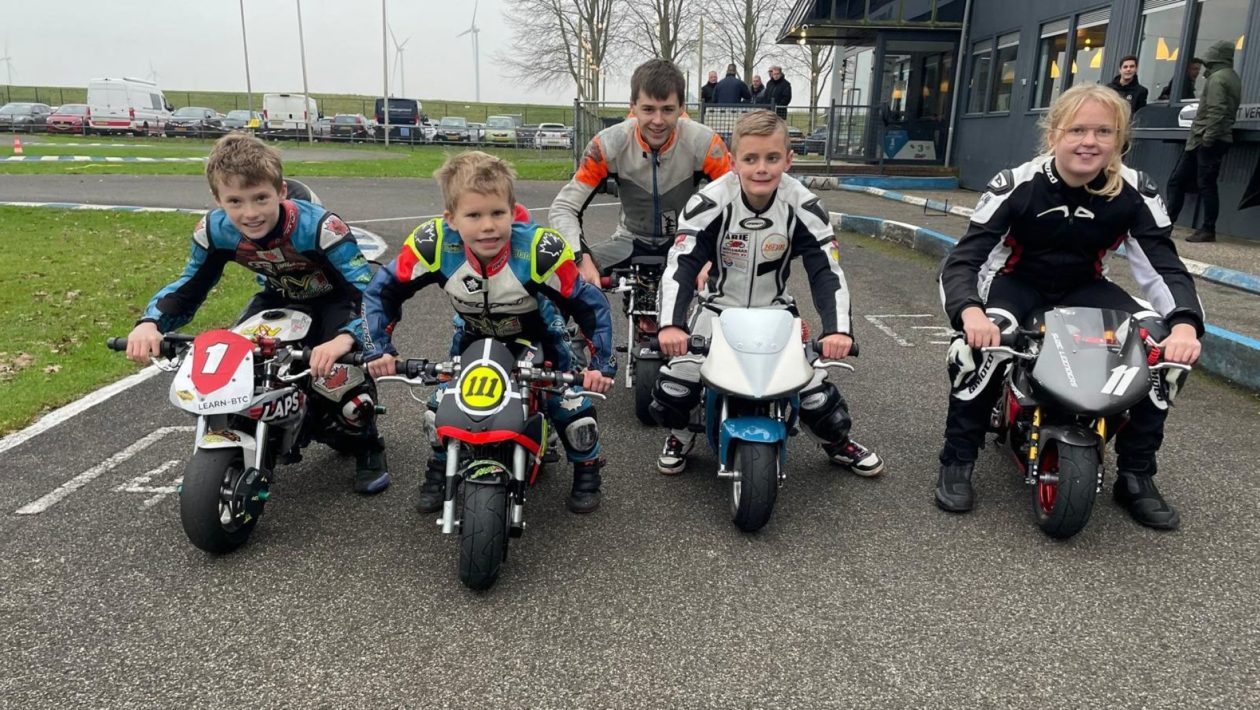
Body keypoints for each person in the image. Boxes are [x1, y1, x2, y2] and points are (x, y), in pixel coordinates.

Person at [936, 83, 1203, 530]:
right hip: (1016, 285)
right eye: (1077, 129)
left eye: (1103, 131)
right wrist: (970, 312)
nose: (1089, 141)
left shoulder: (1135, 190)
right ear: (1054, 133)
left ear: (1119, 139)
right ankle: (958, 459)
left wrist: (1185, 326)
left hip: (1085, 286)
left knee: (1163, 350)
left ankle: (1137, 475)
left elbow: (1162, 269)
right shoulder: (1018, 183)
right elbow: (965, 259)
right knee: (979, 346)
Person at [125, 133, 390, 494]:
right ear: (217, 200)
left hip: (336, 299)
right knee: (238, 359)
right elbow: (190, 287)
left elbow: (369, 291)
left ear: (280, 191)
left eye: (260, 198)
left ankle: (368, 444)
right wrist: (150, 322)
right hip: (277, 297)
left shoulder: (322, 227)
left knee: (340, 370)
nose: (250, 213)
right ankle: (255, 431)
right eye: (235, 201)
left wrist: (346, 338)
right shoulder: (213, 231)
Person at [363, 151, 617, 514]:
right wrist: (379, 349)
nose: (488, 226)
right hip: (472, 332)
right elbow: (382, 291)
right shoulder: (431, 244)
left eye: (498, 213)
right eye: (474, 215)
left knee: (570, 404)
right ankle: (440, 468)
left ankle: (587, 468)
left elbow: (588, 302)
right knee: (441, 406)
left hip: (538, 331)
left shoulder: (540, 250)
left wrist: (601, 366)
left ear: (513, 211)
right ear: (451, 218)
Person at [651, 110, 885, 477]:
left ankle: (837, 444)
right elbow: (680, 264)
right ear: (733, 162)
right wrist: (671, 325)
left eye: (772, 158)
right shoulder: (708, 203)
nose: (761, 168)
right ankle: (682, 434)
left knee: (818, 398)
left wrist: (838, 330)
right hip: (716, 311)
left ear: (788, 160)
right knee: (674, 388)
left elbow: (826, 269)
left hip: (775, 312)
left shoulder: (804, 205)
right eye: (751, 158)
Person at [551, 58, 732, 285]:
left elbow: (736, 204)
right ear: (633, 106)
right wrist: (580, 258)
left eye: (667, 110)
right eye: (648, 109)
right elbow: (564, 207)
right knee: (558, 277)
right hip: (629, 240)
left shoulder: (706, 143)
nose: (658, 121)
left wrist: (714, 259)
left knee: (735, 275)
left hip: (685, 242)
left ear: (682, 107)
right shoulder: (607, 144)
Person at [1166, 41, 1241, 243]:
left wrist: (1207, 139)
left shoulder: (1218, 79)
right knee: (1197, 183)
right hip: (1211, 138)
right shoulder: (1230, 76)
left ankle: (1202, 228)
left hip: (1205, 139)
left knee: (1188, 182)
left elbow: (1217, 111)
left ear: (1215, 56)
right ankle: (1169, 223)